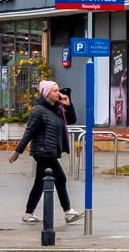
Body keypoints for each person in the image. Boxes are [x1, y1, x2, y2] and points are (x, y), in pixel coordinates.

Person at [11, 81, 81, 224]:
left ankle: (28, 213)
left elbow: (71, 120)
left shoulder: (57, 109)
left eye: (58, 90)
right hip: (43, 151)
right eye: (55, 91)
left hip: (50, 151)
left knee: (39, 183)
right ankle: (68, 212)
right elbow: (29, 131)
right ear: (46, 93)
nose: (59, 93)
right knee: (60, 178)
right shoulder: (38, 110)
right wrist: (18, 151)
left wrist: (68, 104)